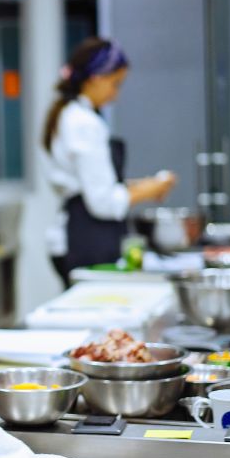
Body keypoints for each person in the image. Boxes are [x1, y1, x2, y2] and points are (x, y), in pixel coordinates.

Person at [42, 37, 176, 287]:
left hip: (77, 236)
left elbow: (91, 182)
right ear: (96, 78)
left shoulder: (68, 114)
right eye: (115, 84)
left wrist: (139, 186)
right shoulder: (84, 123)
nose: (116, 95)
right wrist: (148, 190)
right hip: (85, 241)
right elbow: (102, 202)